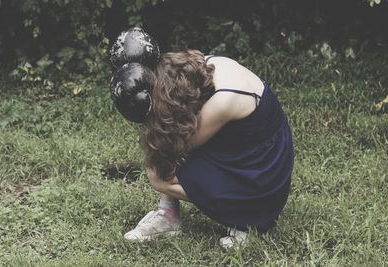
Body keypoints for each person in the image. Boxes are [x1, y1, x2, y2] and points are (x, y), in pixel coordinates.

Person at [110, 29, 294, 249]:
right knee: (170, 145)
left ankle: (248, 219)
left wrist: (157, 127)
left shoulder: (223, 103)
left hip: (263, 173)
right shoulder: (192, 68)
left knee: (159, 174)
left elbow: (173, 151)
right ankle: (167, 213)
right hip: (245, 148)